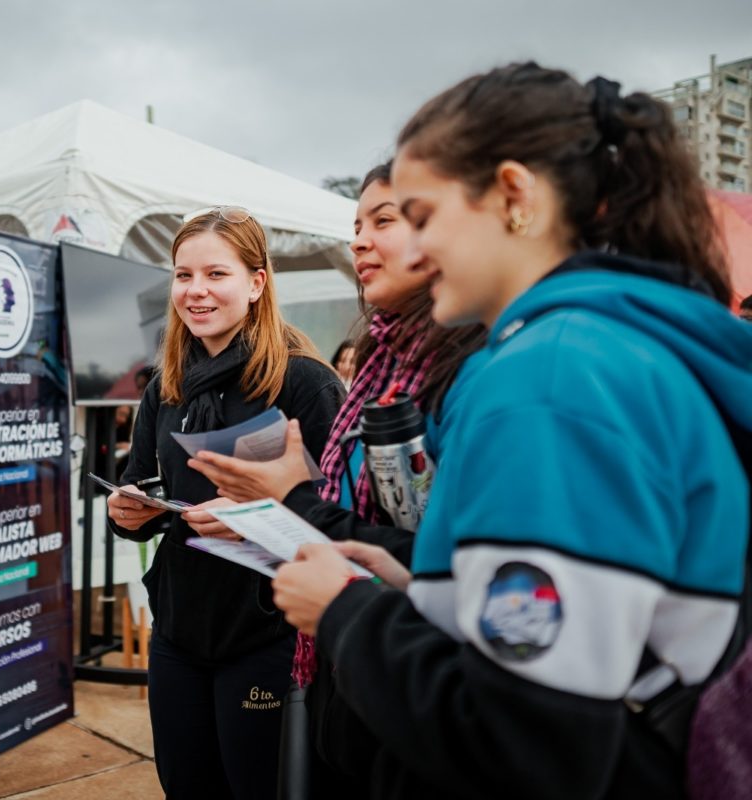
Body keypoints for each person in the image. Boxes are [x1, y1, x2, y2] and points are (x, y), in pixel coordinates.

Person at [272, 62, 752, 798]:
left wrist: (346, 611)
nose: (410, 251)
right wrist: (433, 588)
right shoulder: (611, 344)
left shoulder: (549, 377)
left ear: (514, 195)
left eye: (422, 217)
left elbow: (527, 739)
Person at [187, 165, 484, 795]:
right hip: (338, 659)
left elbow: (452, 562)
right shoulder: (386, 362)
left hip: (393, 670)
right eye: (356, 225)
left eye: (384, 221)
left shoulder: (463, 375)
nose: (358, 242)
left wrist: (285, 504)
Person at [106, 206, 344, 799]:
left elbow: (345, 521)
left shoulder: (305, 383)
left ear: (257, 283)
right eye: (183, 276)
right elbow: (143, 482)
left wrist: (249, 524)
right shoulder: (166, 383)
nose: (196, 291)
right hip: (179, 630)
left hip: (268, 634)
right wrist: (129, 513)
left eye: (216, 274)